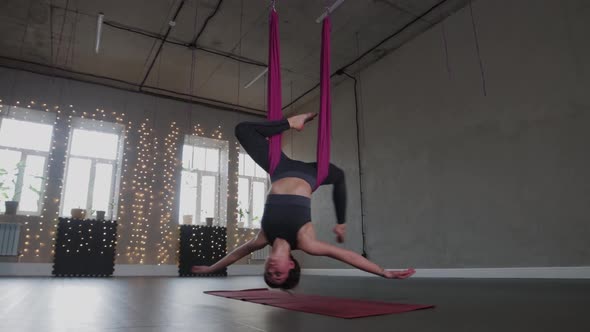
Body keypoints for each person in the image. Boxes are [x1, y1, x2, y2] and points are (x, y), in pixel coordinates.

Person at [191, 113, 415, 289]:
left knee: (243, 130)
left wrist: (212, 268)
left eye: (268, 274)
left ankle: (291, 122)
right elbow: (347, 255)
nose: (271, 270)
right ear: (291, 266)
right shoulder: (306, 242)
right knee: (338, 176)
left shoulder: (263, 237)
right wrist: (382, 271)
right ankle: (342, 221)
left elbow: (236, 254)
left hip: (279, 167)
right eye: (278, 274)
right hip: (311, 175)